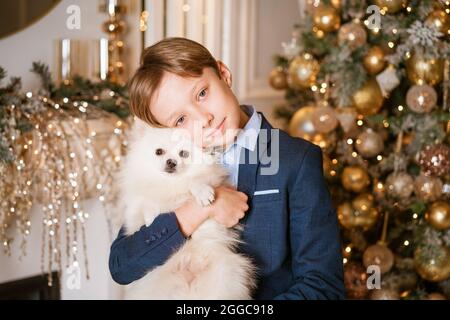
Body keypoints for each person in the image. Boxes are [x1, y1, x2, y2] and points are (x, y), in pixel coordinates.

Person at [108, 37, 345, 299]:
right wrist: (199, 209)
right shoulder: (171, 169)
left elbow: (323, 286)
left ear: (224, 73)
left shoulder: (295, 159)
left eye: (201, 93)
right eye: (181, 119)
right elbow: (122, 265)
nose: (204, 119)